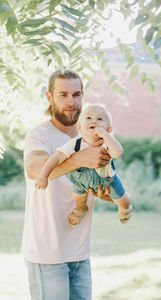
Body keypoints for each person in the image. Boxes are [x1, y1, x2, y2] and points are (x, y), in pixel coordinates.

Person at [22, 68, 115, 300]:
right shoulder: (39, 135)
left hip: (80, 253)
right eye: (63, 94)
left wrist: (109, 194)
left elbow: (95, 184)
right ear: (49, 97)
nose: (70, 102)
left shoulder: (91, 138)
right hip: (47, 255)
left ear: (83, 95)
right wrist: (80, 159)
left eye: (76, 95)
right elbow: (35, 169)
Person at [35, 103, 132, 227]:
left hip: (107, 181)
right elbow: (56, 158)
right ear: (79, 127)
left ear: (108, 129)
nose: (94, 121)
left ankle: (125, 207)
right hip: (81, 184)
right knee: (78, 199)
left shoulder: (106, 143)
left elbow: (118, 153)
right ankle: (81, 209)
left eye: (100, 119)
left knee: (123, 200)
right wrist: (43, 176)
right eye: (89, 118)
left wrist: (106, 136)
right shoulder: (73, 144)